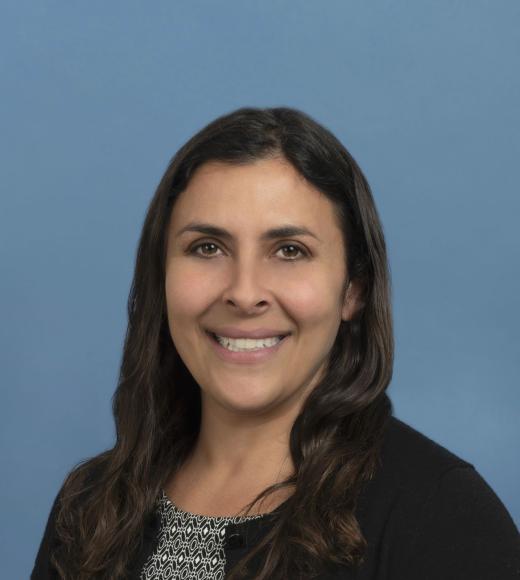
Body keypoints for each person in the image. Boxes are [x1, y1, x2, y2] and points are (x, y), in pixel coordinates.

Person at [31, 106, 520, 580]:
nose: (244, 293)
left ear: (354, 289)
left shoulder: (438, 515)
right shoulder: (91, 505)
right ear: (162, 275)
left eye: (290, 251)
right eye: (207, 247)